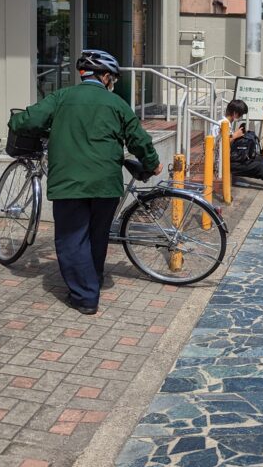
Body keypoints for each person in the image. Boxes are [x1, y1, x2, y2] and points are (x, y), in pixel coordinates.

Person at [8, 49, 162, 316]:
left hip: (69, 184)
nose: (112, 83)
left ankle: (85, 297)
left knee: (72, 239)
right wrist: (152, 164)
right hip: (106, 185)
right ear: (103, 77)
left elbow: (27, 121)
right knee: (96, 236)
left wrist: (14, 120)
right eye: (112, 78)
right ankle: (94, 280)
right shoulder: (116, 104)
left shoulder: (61, 97)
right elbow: (139, 138)